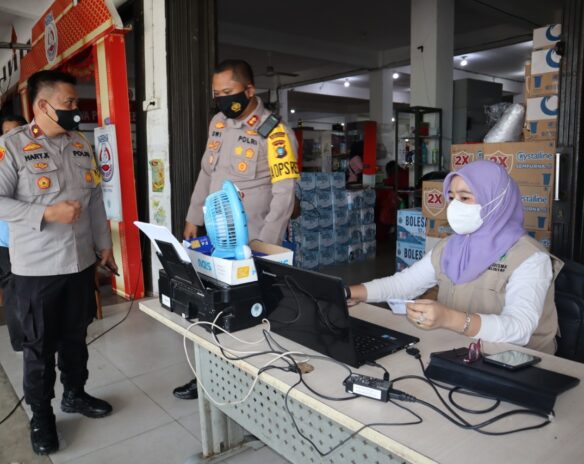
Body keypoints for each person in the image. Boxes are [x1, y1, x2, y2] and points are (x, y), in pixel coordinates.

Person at [0, 70, 117, 455]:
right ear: (43, 105)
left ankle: (75, 393)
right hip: (37, 270)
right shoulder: (10, 146)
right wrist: (46, 213)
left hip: (79, 263)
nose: (76, 109)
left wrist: (104, 245)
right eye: (68, 103)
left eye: (76, 102)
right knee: (39, 347)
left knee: (76, 336)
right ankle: (41, 416)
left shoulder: (80, 144)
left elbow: (95, 200)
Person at [175, 59, 299, 400]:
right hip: (217, 239)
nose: (222, 100)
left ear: (249, 90)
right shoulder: (218, 122)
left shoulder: (275, 133)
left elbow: (284, 194)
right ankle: (206, 374)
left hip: (252, 242)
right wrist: (193, 217)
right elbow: (207, 173)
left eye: (228, 92)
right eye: (217, 94)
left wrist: (266, 247)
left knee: (251, 316)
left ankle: (253, 384)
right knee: (212, 307)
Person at [348, 160, 562, 354]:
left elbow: (520, 328)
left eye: (465, 197)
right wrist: (350, 292)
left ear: (496, 201)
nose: (454, 206)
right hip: (457, 350)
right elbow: (404, 284)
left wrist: (449, 318)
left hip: (519, 364)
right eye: (451, 198)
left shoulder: (530, 258)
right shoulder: (450, 246)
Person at [0, 115, 28, 352]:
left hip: (31, 238)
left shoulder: (34, 156)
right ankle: (21, 342)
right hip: (7, 240)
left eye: (16, 132)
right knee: (13, 292)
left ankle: (37, 337)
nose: (11, 137)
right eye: (6, 133)